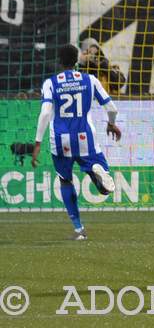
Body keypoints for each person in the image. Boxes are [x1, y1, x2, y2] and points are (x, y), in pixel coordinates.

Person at [30, 44, 121, 240]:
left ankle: (79, 229)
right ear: (76, 61)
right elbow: (111, 108)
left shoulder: (50, 83)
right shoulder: (90, 79)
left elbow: (46, 113)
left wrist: (37, 143)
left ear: (59, 61)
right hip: (84, 137)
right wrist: (111, 124)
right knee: (104, 186)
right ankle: (97, 172)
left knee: (65, 180)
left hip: (60, 140)